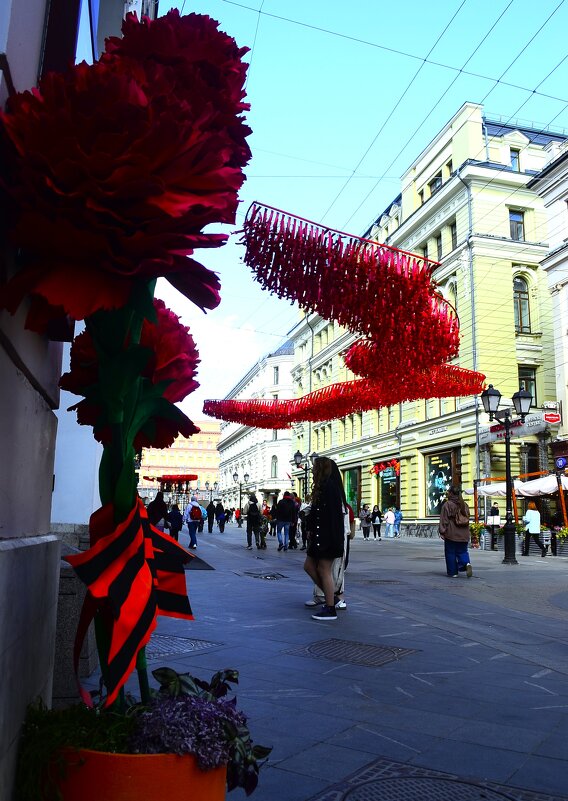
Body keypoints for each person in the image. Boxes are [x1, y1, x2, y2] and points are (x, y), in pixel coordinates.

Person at [303, 456, 347, 621]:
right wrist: (310, 528)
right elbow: (316, 513)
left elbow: (333, 517)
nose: (312, 470)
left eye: (315, 467)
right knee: (309, 566)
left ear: (322, 469)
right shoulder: (323, 487)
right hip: (319, 536)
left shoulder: (330, 487)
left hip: (327, 537)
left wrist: (329, 539)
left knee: (323, 569)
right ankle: (332, 598)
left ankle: (330, 608)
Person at [438, 486, 472, 577]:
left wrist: (442, 531)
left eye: (448, 492)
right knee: (463, 551)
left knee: (450, 552)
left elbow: (444, 520)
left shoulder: (447, 504)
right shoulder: (464, 504)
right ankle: (466, 563)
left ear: (451, 493)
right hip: (464, 533)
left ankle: (453, 572)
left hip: (451, 533)